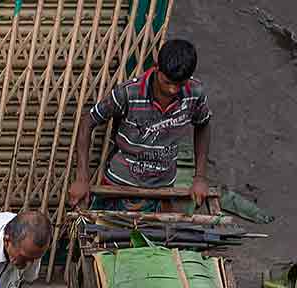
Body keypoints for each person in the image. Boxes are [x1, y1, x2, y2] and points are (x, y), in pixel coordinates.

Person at [67, 37, 212, 208]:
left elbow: (203, 124)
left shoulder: (195, 93)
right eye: (167, 82)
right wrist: (82, 177)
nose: (173, 89)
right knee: (105, 232)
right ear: (156, 68)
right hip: (118, 186)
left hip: (162, 189)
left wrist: (200, 177)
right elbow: (88, 121)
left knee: (156, 234)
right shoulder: (128, 93)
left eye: (180, 84)